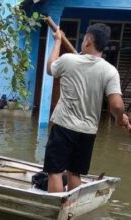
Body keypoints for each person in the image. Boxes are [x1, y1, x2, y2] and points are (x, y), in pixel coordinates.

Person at [44, 23, 131, 193]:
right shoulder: (110, 71)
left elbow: (50, 68)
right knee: (74, 172)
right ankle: (73, 212)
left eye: (84, 39)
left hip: (64, 126)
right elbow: (116, 104)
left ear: (88, 42)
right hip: (88, 131)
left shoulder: (68, 60)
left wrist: (57, 42)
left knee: (54, 172)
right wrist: (119, 117)